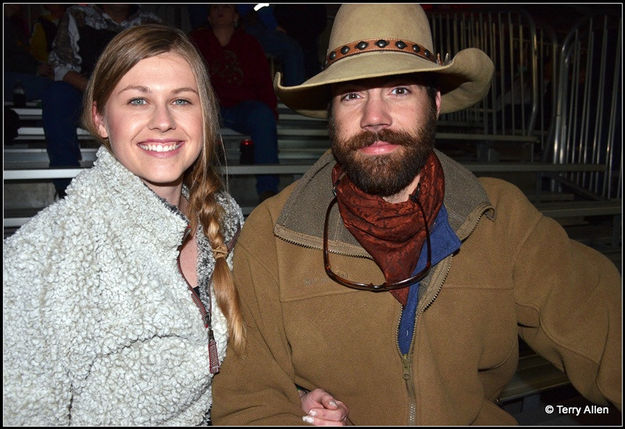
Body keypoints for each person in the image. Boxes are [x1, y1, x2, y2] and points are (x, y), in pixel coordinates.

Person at [210, 4, 622, 425]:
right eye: (352, 95)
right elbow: (247, 405)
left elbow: (605, 327)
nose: (375, 118)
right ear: (331, 113)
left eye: (400, 90)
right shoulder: (272, 236)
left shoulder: (501, 218)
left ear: (436, 102)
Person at [2, 23, 347, 426]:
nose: (162, 121)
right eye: (137, 101)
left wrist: (291, 400)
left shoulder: (226, 218)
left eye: (182, 101)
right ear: (99, 118)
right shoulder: (39, 259)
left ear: (206, 116)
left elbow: (228, 370)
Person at [43, 4, 161, 198]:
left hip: (136, 92)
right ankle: (66, 188)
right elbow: (60, 64)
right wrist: (96, 90)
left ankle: (145, 189)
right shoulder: (79, 15)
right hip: (85, 90)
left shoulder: (150, 23)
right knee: (57, 95)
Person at [189, 4, 280, 202]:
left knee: (262, 115)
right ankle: (196, 186)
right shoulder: (197, 41)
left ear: (236, 15)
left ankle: (268, 190)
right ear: (209, 17)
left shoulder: (249, 43)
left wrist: (271, 110)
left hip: (242, 106)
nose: (220, 10)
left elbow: (263, 80)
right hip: (207, 106)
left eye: (226, 6)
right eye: (215, 7)